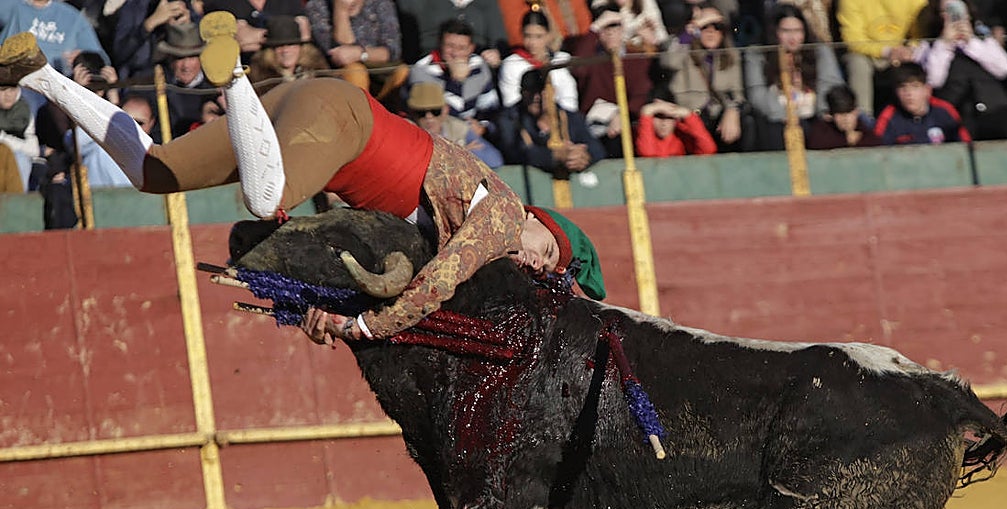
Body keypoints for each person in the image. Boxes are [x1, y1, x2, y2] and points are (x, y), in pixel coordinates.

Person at [0, 15, 601, 343]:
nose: (535, 263)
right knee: (265, 200)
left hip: (312, 108)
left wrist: (325, 309)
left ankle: (39, 72)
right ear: (539, 222)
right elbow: (432, 289)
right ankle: (233, 74)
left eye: (544, 271)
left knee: (154, 170)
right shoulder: (499, 216)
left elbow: (381, 255)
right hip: (340, 125)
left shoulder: (469, 226)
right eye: (547, 250)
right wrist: (360, 326)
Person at [911, 0, 1007, 140]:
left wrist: (971, 42)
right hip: (955, 117)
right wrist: (945, 44)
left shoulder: (983, 39)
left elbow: (1005, 69)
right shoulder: (929, 46)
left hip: (994, 111)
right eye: (948, 11)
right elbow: (933, 80)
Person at [743, 3, 843, 151]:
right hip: (776, 119)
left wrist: (823, 111)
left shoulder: (819, 51)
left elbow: (832, 83)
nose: (793, 37)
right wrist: (784, 116)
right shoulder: (757, 54)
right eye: (786, 31)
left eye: (798, 31)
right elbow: (756, 93)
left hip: (813, 116)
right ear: (775, 31)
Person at [658, 5, 750, 152]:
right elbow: (668, 61)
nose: (711, 31)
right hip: (690, 115)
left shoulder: (731, 55)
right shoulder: (683, 49)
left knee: (745, 122)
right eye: (705, 26)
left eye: (717, 26)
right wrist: (692, 29)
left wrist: (732, 110)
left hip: (718, 116)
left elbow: (737, 92)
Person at [570, 6, 654, 156]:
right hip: (592, 124)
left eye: (615, 26)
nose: (610, 33)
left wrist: (622, 115)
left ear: (623, 29)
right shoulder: (592, 59)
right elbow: (578, 68)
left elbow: (641, 95)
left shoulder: (636, 59)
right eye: (605, 27)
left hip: (626, 123)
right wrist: (594, 29)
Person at [494, 67, 605, 172]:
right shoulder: (508, 118)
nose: (537, 97)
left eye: (542, 91)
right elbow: (514, 153)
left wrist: (583, 156)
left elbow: (596, 149)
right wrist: (555, 156)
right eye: (530, 91)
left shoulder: (570, 117)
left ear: (553, 91)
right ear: (521, 93)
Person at [409, 19, 502, 136]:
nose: (455, 53)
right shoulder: (421, 70)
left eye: (462, 48)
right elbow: (438, 116)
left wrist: (483, 127)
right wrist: (456, 81)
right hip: (439, 134)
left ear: (471, 48)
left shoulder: (478, 65)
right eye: (450, 46)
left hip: (474, 132)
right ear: (440, 43)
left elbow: (490, 105)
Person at [837, 0, 927, 114]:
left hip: (901, 49)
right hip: (865, 53)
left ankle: (919, 115)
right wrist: (886, 51)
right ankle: (864, 118)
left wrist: (910, 49)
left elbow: (921, 29)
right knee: (857, 63)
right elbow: (853, 39)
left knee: (920, 56)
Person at [304, 0, 406, 100]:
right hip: (338, 76)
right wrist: (341, 12)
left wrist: (360, 53)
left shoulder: (381, 4)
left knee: (403, 71)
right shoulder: (317, 6)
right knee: (355, 71)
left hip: (378, 73)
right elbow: (339, 55)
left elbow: (393, 51)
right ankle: (360, 113)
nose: (349, 2)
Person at [407, 80, 504, 168]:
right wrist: (457, 154)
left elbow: (495, 161)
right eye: (421, 113)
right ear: (412, 113)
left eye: (435, 111)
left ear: (445, 110)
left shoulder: (458, 127)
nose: (429, 117)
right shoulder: (407, 131)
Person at [497, 8, 578, 111]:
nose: (532, 43)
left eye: (539, 36)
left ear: (549, 35)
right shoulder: (512, 65)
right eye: (528, 36)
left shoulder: (562, 60)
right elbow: (511, 104)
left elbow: (570, 101)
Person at [874, 60, 970, 143]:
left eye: (915, 87)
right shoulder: (888, 117)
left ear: (927, 90)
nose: (908, 93)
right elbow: (877, 153)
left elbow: (965, 146)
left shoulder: (944, 110)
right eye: (902, 87)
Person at [110, 0, 193, 80]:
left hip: (176, 83)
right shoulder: (133, 7)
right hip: (138, 84)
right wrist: (149, 24)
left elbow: (200, 48)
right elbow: (119, 54)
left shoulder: (185, 6)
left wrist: (188, 28)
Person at [155, 22, 209, 139]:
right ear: (169, 59)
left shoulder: (214, 92)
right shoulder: (156, 87)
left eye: (192, 57)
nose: (186, 66)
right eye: (179, 58)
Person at [247, 15, 329, 87]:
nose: (285, 50)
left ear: (301, 48)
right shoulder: (260, 80)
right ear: (270, 51)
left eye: (291, 45)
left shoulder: (320, 73)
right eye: (279, 46)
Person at [804, 82, 883, 148]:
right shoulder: (821, 131)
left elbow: (877, 146)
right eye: (840, 114)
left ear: (856, 112)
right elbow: (816, 145)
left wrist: (858, 140)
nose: (845, 119)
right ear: (831, 116)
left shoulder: (863, 130)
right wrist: (846, 140)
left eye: (849, 113)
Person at [634, 95, 717, 155]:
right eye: (658, 117)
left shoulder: (680, 133)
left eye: (669, 117)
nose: (664, 123)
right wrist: (646, 112)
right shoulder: (640, 132)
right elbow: (647, 153)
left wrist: (688, 115)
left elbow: (708, 149)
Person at [592, 0, 669, 53]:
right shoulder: (600, 4)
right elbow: (606, 37)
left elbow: (662, 35)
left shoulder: (646, 3)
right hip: (615, 56)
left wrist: (653, 38)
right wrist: (637, 33)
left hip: (645, 56)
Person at [0, 82, 37, 187]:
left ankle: (17, 201)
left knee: (20, 159)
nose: (8, 95)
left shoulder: (24, 111)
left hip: (18, 158)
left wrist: (3, 138)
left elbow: (33, 149)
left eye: (12, 90)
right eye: (3, 90)